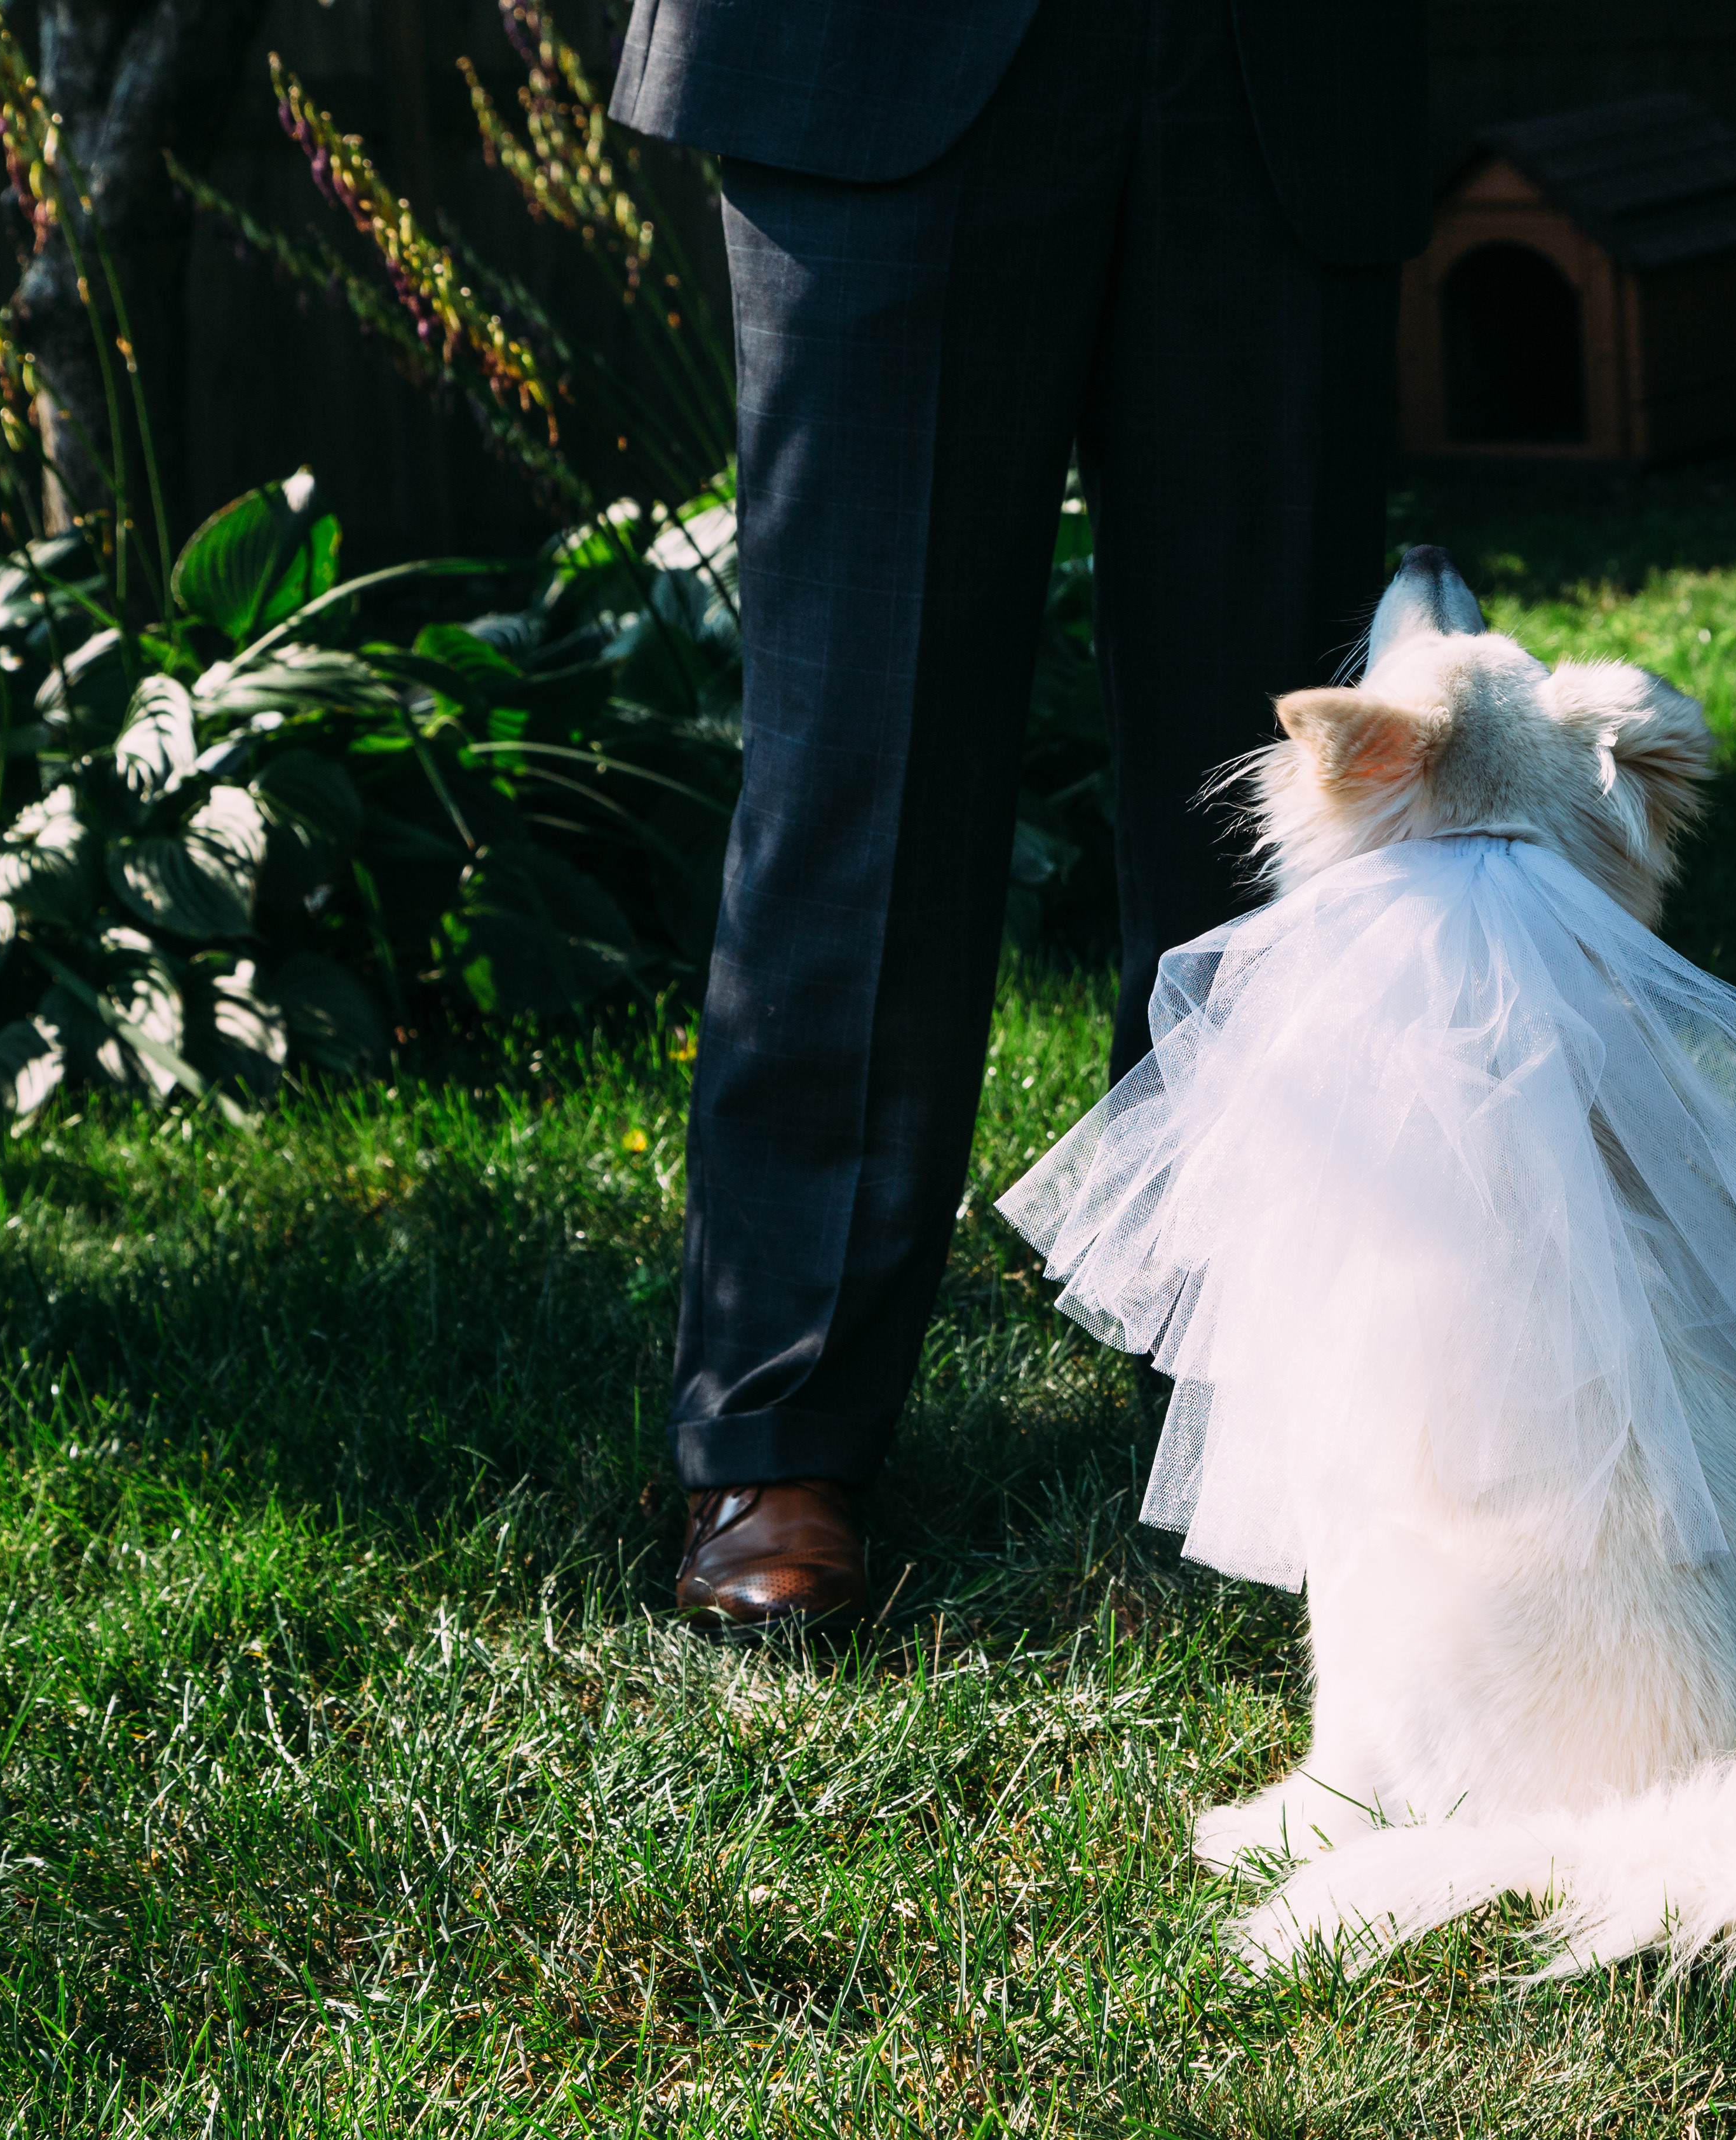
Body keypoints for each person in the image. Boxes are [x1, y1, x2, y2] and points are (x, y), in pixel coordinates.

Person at [606, 0, 1430, 1630]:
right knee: (862, 753)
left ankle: (1241, 1369)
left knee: (1277, 786)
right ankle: (785, 1429)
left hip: (1271, 70)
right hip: (871, 54)